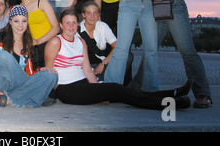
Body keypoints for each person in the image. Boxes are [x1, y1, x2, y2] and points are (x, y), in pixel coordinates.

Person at [44, 9, 192, 109]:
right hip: (67, 89)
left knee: (122, 93)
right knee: (116, 89)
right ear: (61, 25)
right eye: (67, 23)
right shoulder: (56, 42)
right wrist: (53, 93)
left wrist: (98, 91)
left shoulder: (80, 42)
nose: (71, 26)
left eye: (74, 22)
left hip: (83, 84)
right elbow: (49, 73)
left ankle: (171, 95)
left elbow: (88, 71)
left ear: (77, 23)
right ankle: (168, 104)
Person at [0, 5, 58, 107]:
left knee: (52, 75)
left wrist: (40, 71)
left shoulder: (30, 42)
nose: (20, 25)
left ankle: (9, 100)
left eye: (24, 21)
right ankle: (33, 97)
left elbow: (30, 72)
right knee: (3, 56)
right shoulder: (0, 36)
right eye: (16, 21)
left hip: (18, 86)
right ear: (10, 22)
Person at [18, 0, 59, 66]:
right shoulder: (17, 9)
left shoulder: (42, 3)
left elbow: (56, 28)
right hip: (32, 48)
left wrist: (38, 41)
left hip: (49, 43)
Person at [78, 1, 117, 82]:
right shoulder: (77, 30)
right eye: (89, 13)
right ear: (83, 15)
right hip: (84, 66)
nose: (92, 16)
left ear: (99, 14)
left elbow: (117, 46)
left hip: (102, 63)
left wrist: (103, 63)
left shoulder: (103, 26)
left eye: (95, 13)